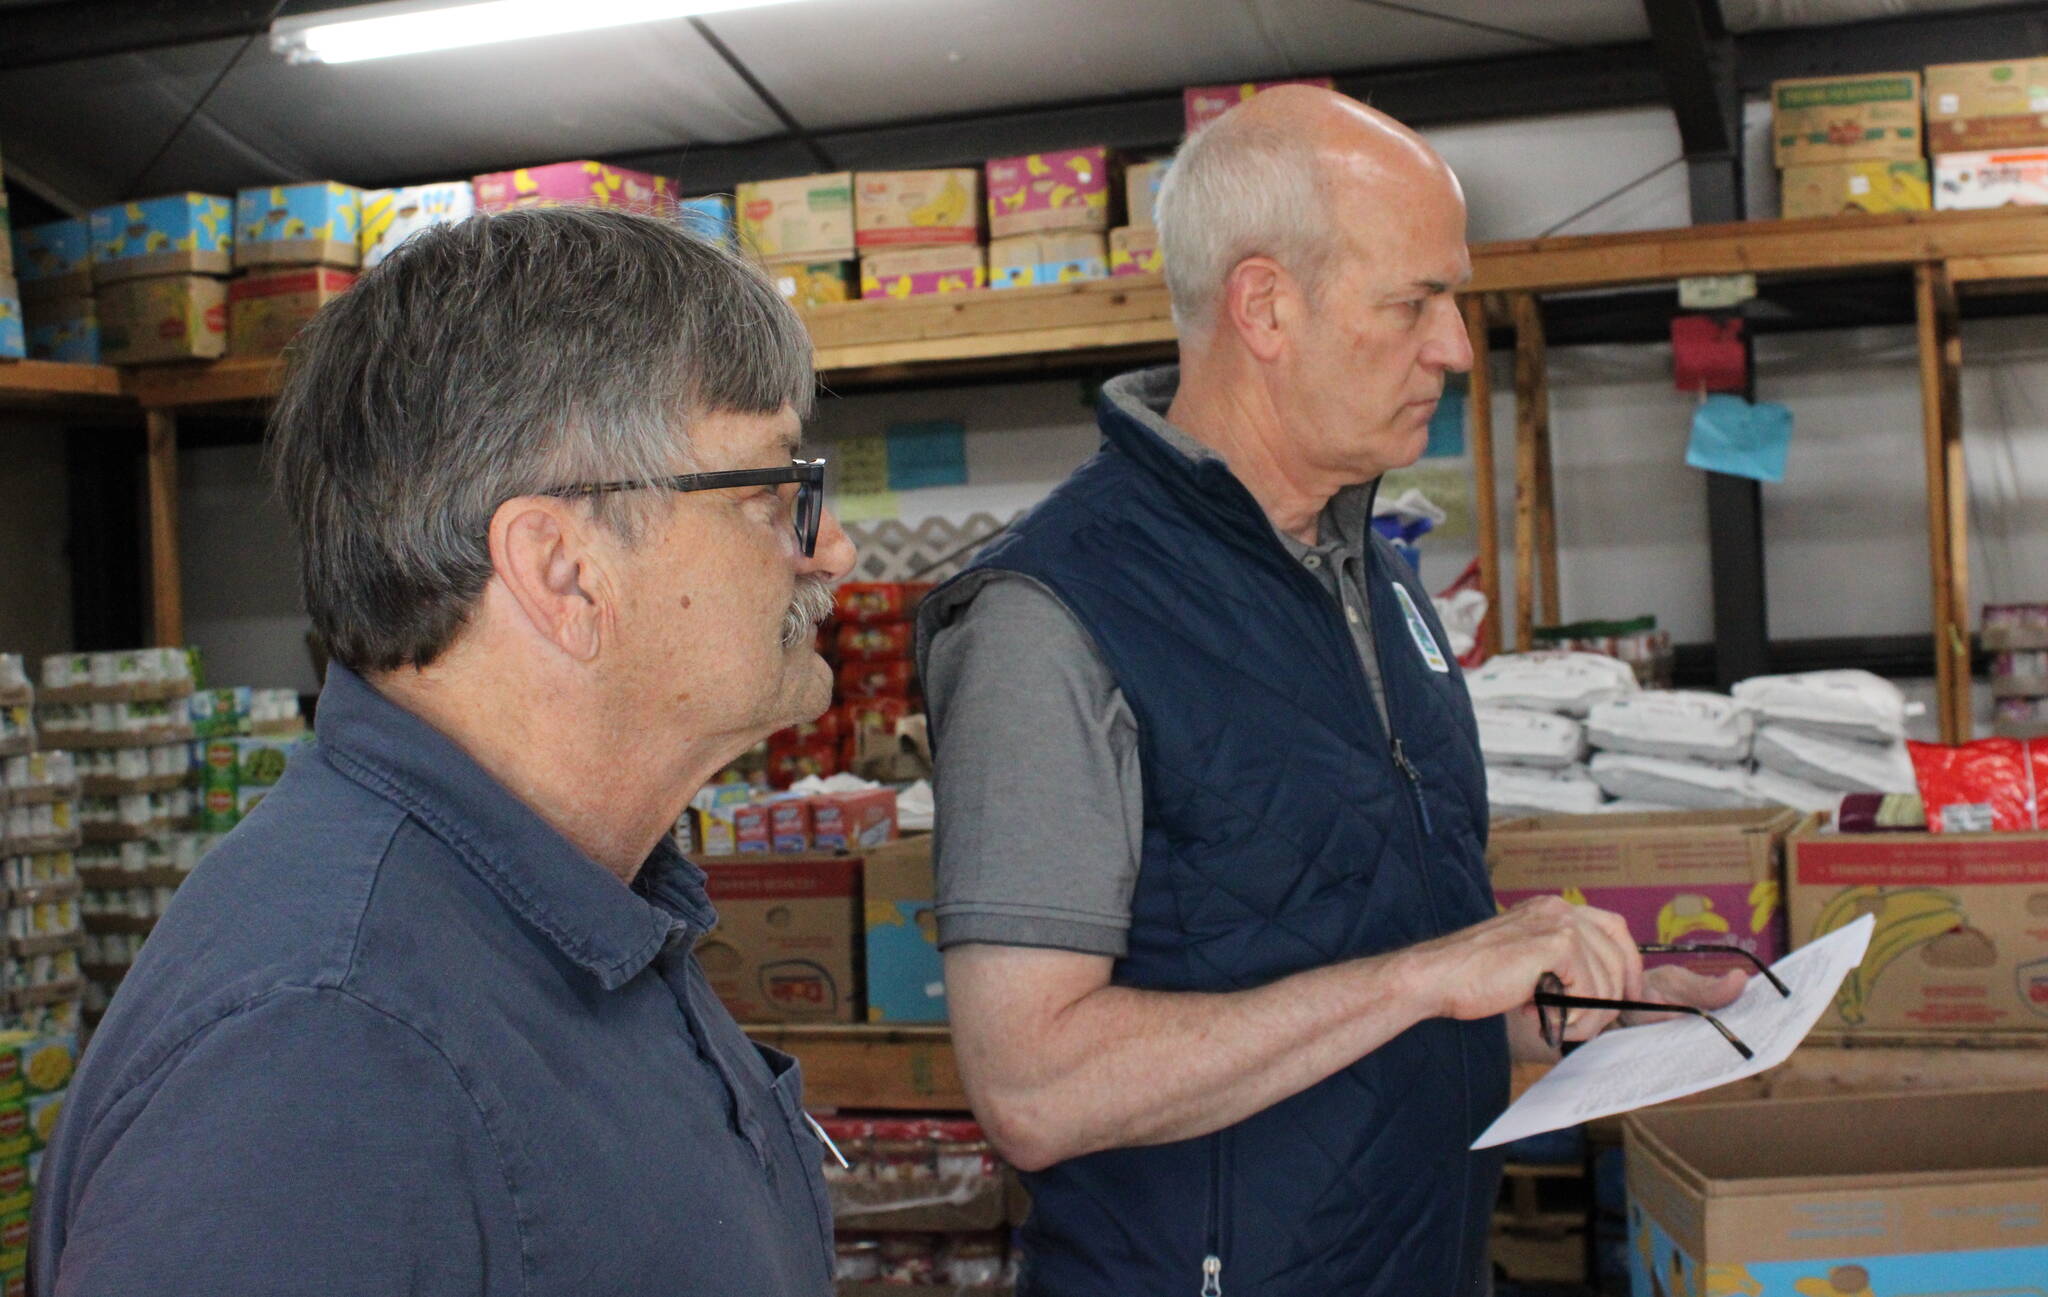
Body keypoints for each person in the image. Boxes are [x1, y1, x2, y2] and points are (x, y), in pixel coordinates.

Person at [916, 87, 1746, 1296]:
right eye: (1413, 301)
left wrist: (1584, 1012)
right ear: (1263, 305)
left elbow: (1369, 982)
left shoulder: (1378, 578)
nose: (1454, 345)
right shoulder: (1051, 616)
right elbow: (1035, 1087)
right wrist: (1426, 972)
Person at [33, 208, 855, 1295]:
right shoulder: (320, 1055)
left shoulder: (566, 902)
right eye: (771, 496)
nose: (829, 550)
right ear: (561, 571)